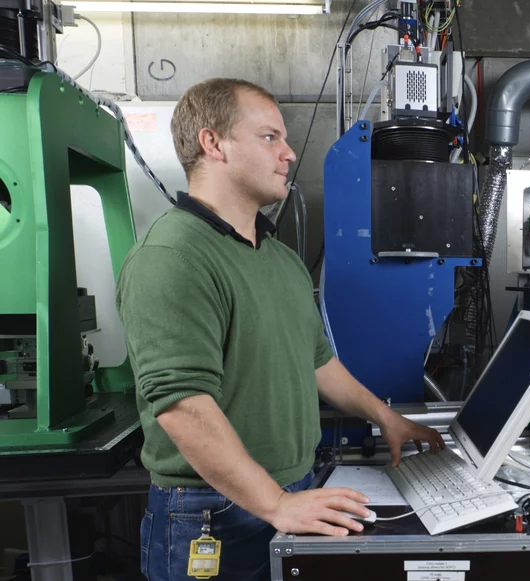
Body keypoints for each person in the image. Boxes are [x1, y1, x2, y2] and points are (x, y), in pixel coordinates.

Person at [117, 78, 445, 581]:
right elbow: (183, 407)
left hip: (292, 491)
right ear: (213, 143)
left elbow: (317, 361)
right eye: (270, 137)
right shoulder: (173, 256)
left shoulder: (279, 257)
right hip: (214, 510)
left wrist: (386, 418)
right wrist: (273, 503)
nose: (289, 153)